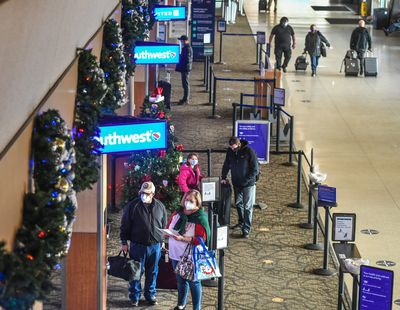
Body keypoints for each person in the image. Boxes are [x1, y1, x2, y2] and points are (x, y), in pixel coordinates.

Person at [120, 181, 167, 307]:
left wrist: (162, 241)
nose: (143, 195)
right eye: (142, 193)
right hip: (137, 245)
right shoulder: (133, 206)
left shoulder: (160, 206)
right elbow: (125, 225)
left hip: (155, 246)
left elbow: (163, 225)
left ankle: (150, 295)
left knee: (152, 272)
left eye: (146, 193)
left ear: (152, 194)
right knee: (135, 272)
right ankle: (134, 296)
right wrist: (124, 242)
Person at [166, 190, 211, 310]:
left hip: (191, 255)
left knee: (194, 282)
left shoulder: (200, 218)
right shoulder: (178, 212)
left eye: (191, 201)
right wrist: (166, 233)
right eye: (186, 199)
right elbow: (169, 225)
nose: (187, 203)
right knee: (180, 280)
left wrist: (183, 238)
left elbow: (201, 239)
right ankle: (181, 304)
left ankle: (197, 308)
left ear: (197, 203)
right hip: (175, 253)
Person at [221, 137, 259, 238]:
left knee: (247, 206)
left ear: (238, 145)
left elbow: (255, 170)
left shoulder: (249, 151)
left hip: (248, 184)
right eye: (231, 148)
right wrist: (223, 176)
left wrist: (245, 180)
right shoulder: (230, 151)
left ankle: (246, 229)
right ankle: (241, 222)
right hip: (236, 183)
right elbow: (227, 164)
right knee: (238, 203)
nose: (232, 150)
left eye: (234, 148)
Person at [175, 35, 193, 105]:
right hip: (185, 68)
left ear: (185, 41)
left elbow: (187, 59)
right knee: (185, 84)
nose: (181, 42)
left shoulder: (187, 48)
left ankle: (186, 99)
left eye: (181, 40)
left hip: (185, 69)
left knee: (185, 84)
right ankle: (185, 98)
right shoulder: (187, 48)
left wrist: (181, 58)